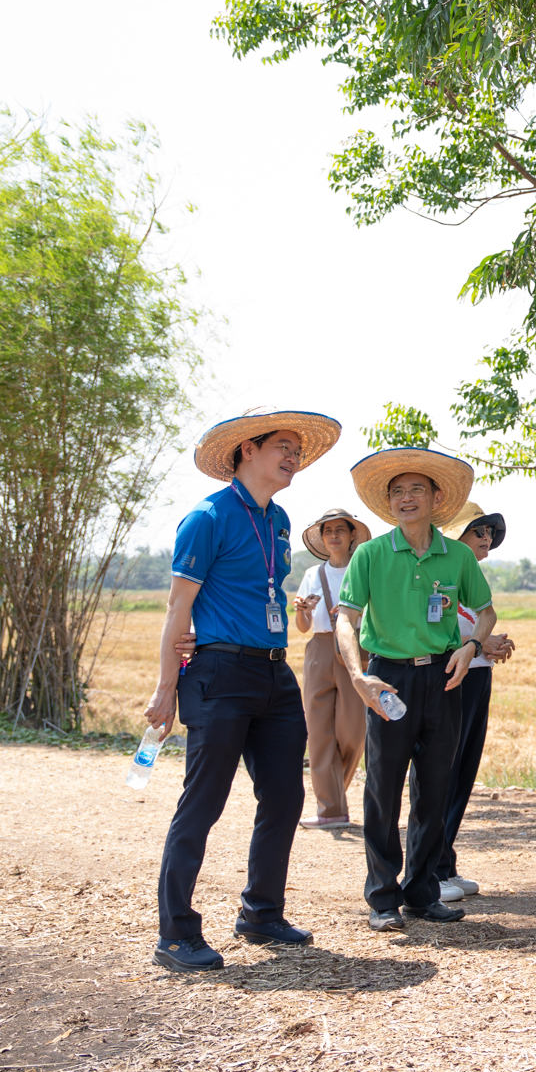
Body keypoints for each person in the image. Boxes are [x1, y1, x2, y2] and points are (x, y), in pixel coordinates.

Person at [146, 409, 342, 972]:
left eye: (297, 452)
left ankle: (262, 913)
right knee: (202, 804)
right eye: (283, 446)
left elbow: (264, 591)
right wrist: (165, 691)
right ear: (247, 451)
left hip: (276, 674)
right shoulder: (206, 518)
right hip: (219, 675)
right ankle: (176, 934)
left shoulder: (279, 520)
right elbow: (177, 608)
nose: (293, 458)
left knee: (285, 797)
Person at [333, 446, 497, 932]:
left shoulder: (460, 556)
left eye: (416, 490)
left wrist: (471, 647)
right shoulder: (370, 555)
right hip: (389, 677)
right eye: (398, 492)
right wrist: (359, 676)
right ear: (389, 503)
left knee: (434, 788)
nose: (406, 499)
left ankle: (422, 893)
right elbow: (347, 619)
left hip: (444, 676)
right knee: (383, 788)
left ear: (436, 497)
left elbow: (485, 612)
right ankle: (383, 897)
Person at [431, 503, 516, 903]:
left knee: (462, 773)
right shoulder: (437, 572)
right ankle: (430, 868)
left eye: (488, 534)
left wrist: (487, 646)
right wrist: (482, 643)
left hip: (478, 677)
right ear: (454, 535)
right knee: (441, 774)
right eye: (478, 531)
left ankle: (445, 861)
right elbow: (438, 630)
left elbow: (476, 628)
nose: (486, 540)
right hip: (451, 680)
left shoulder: (472, 576)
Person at [293, 507, 372, 830]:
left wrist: (355, 614)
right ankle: (330, 810)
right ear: (322, 539)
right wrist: (302, 611)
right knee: (318, 732)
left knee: (353, 731)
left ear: (352, 534)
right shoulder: (313, 574)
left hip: (355, 648)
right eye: (328, 531)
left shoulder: (364, 570)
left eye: (340, 529)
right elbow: (302, 626)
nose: (334, 536)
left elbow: (379, 615)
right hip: (320, 649)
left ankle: (333, 800)